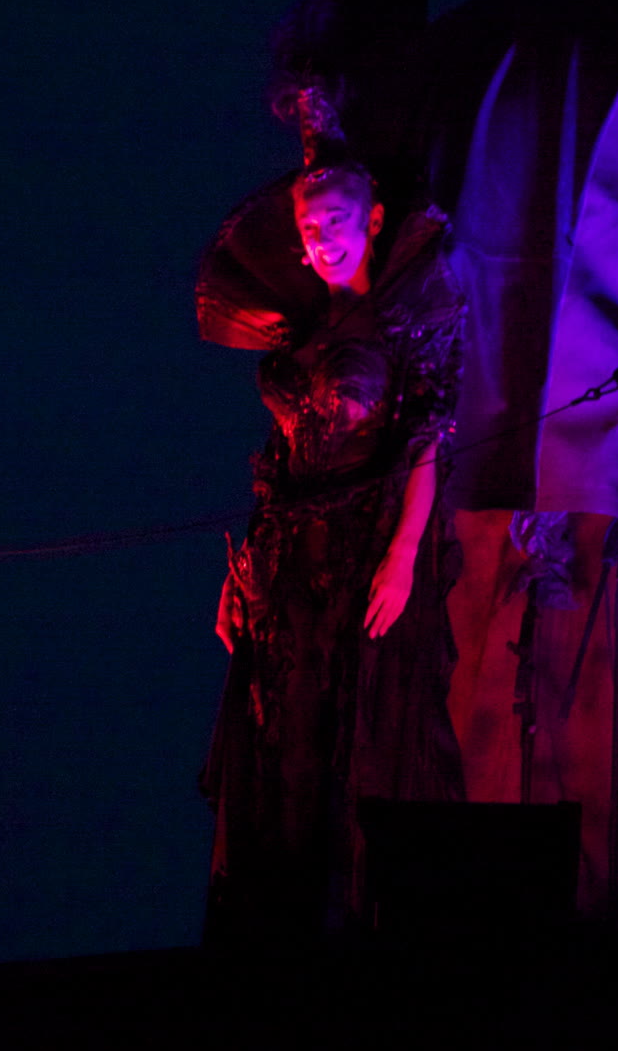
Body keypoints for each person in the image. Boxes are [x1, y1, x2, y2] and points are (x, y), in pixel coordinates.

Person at [195, 128, 467, 947]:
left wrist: (404, 553)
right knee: (282, 742)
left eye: (337, 219)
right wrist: (240, 575)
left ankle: (357, 929)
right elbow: (280, 461)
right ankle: (276, 933)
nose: (322, 237)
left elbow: (427, 437)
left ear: (373, 218)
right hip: (287, 564)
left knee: (358, 731)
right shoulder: (303, 326)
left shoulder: (409, 310)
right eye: (311, 226)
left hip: (363, 549)